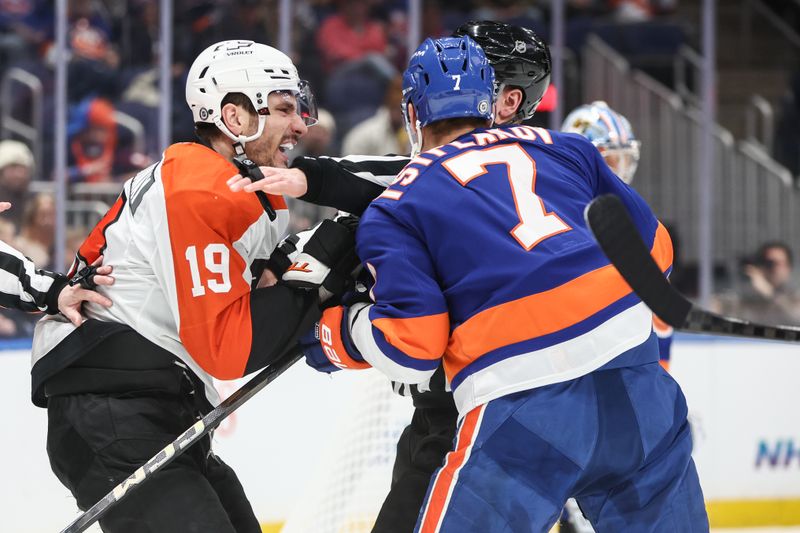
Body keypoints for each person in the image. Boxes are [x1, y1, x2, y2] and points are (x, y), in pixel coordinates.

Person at [301, 35, 708, 531]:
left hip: (524, 407)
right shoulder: (569, 148)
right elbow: (656, 255)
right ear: (492, 100)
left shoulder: (397, 205)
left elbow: (412, 346)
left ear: (411, 113)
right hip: (638, 385)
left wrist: (340, 332)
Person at [229, 21, 554, 533]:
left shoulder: (464, 177)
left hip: (480, 409)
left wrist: (340, 332)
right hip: (483, 406)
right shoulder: (532, 169)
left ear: (507, 101)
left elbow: (404, 183)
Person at [31, 40, 355, 533]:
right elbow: (228, 348)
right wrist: (326, 265)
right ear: (235, 117)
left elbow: (264, 291)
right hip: (111, 412)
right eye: (285, 108)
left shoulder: (237, 187)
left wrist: (314, 266)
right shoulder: (199, 188)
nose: (301, 124)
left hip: (156, 406)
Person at [561, 100, 674, 370]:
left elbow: (662, 324)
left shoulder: (638, 224)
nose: (620, 172)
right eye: (610, 161)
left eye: (624, 160)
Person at [0, 200, 114, 325]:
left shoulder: (60, 246)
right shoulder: (26, 246)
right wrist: (57, 292)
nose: (47, 221)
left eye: (51, 215)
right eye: (43, 215)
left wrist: (57, 292)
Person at [714, 241, 800, 325]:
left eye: (776, 263)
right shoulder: (746, 296)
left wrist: (769, 293)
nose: (772, 269)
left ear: (788, 267)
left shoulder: (794, 296)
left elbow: (796, 317)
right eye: (768, 263)